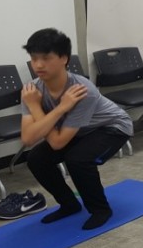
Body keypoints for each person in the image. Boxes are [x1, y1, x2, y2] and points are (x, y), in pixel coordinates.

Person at [20, 28, 133, 230]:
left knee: (78, 159)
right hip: (78, 131)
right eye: (34, 58)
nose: (38, 65)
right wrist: (50, 107)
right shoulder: (32, 93)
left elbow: (57, 143)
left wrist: (42, 112)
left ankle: (100, 210)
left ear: (64, 58)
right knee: (36, 158)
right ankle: (69, 204)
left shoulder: (82, 90)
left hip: (112, 127)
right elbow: (28, 138)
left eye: (46, 58)